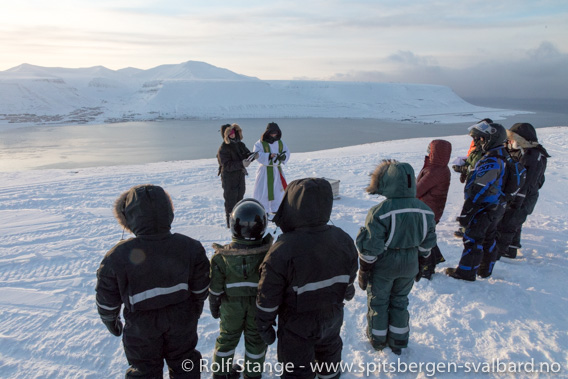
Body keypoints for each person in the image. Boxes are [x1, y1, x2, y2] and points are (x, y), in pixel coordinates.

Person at [95, 184, 210, 378]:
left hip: (141, 328)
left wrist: (110, 320)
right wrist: (196, 307)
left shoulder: (117, 256)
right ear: (168, 212)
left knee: (145, 370)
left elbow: (106, 297)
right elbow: (201, 286)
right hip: (181, 319)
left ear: (129, 218)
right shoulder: (190, 247)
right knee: (185, 363)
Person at [255, 178, 358, 378]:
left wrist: (263, 324)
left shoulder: (282, 250)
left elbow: (268, 294)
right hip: (332, 318)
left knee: (297, 372)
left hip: (296, 325)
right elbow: (350, 273)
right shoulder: (343, 238)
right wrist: (348, 290)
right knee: (329, 360)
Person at [356, 160, 436, 355]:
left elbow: (371, 248)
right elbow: (428, 243)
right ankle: (399, 340)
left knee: (379, 301)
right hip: (410, 264)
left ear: (388, 182)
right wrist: (423, 262)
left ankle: (378, 339)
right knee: (400, 300)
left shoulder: (380, 212)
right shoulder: (425, 210)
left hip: (385, 264)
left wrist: (364, 269)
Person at [209, 198, 273, 379]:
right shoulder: (268, 254)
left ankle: (220, 374)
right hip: (258, 307)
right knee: (255, 341)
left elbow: (215, 289)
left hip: (231, 308)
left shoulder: (221, 258)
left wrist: (214, 305)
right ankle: (252, 375)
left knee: (227, 339)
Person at [446, 121, 509, 281]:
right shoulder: (501, 155)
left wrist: (468, 211)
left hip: (484, 206)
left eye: (481, 139)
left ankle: (466, 272)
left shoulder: (491, 161)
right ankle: (485, 270)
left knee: (473, 239)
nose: (477, 142)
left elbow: (479, 188)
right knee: (488, 238)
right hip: (495, 205)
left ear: (490, 139)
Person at [496, 123, 550, 259]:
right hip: (520, 195)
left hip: (523, 196)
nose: (510, 141)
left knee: (509, 223)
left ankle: (501, 251)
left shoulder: (532, 156)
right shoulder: (521, 152)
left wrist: (516, 199)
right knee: (513, 222)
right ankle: (511, 247)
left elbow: (528, 181)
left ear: (522, 140)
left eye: (513, 139)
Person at [415, 139, 452, 279]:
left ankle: (427, 267)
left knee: (424, 238)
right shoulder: (437, 168)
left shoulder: (435, 171)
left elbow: (417, 191)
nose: (427, 151)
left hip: (427, 211)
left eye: (429, 149)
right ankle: (434, 260)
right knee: (426, 236)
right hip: (431, 209)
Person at [452, 118, 493, 238]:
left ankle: (468, 228)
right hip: (472, 180)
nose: (475, 139)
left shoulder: (487, 150)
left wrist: (463, 169)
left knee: (474, 203)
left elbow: (478, 167)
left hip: (478, 182)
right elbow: (472, 160)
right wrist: (464, 167)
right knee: (470, 202)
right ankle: (467, 225)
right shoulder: (479, 147)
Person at [217, 123, 257, 228]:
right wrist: (242, 163)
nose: (232, 134)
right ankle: (231, 224)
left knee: (240, 198)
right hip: (229, 178)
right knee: (231, 201)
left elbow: (246, 154)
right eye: (229, 133)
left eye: (233, 131)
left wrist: (252, 156)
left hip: (240, 175)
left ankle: (239, 221)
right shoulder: (223, 148)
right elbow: (226, 165)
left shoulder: (240, 144)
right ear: (225, 135)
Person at [252, 122, 290, 214]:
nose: (274, 135)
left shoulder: (280, 143)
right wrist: (269, 156)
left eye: (275, 133)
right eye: (272, 133)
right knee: (263, 191)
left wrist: (283, 157)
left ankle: (276, 208)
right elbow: (256, 154)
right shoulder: (260, 143)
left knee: (278, 190)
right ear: (267, 132)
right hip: (265, 170)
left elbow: (287, 152)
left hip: (276, 169)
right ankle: (262, 210)